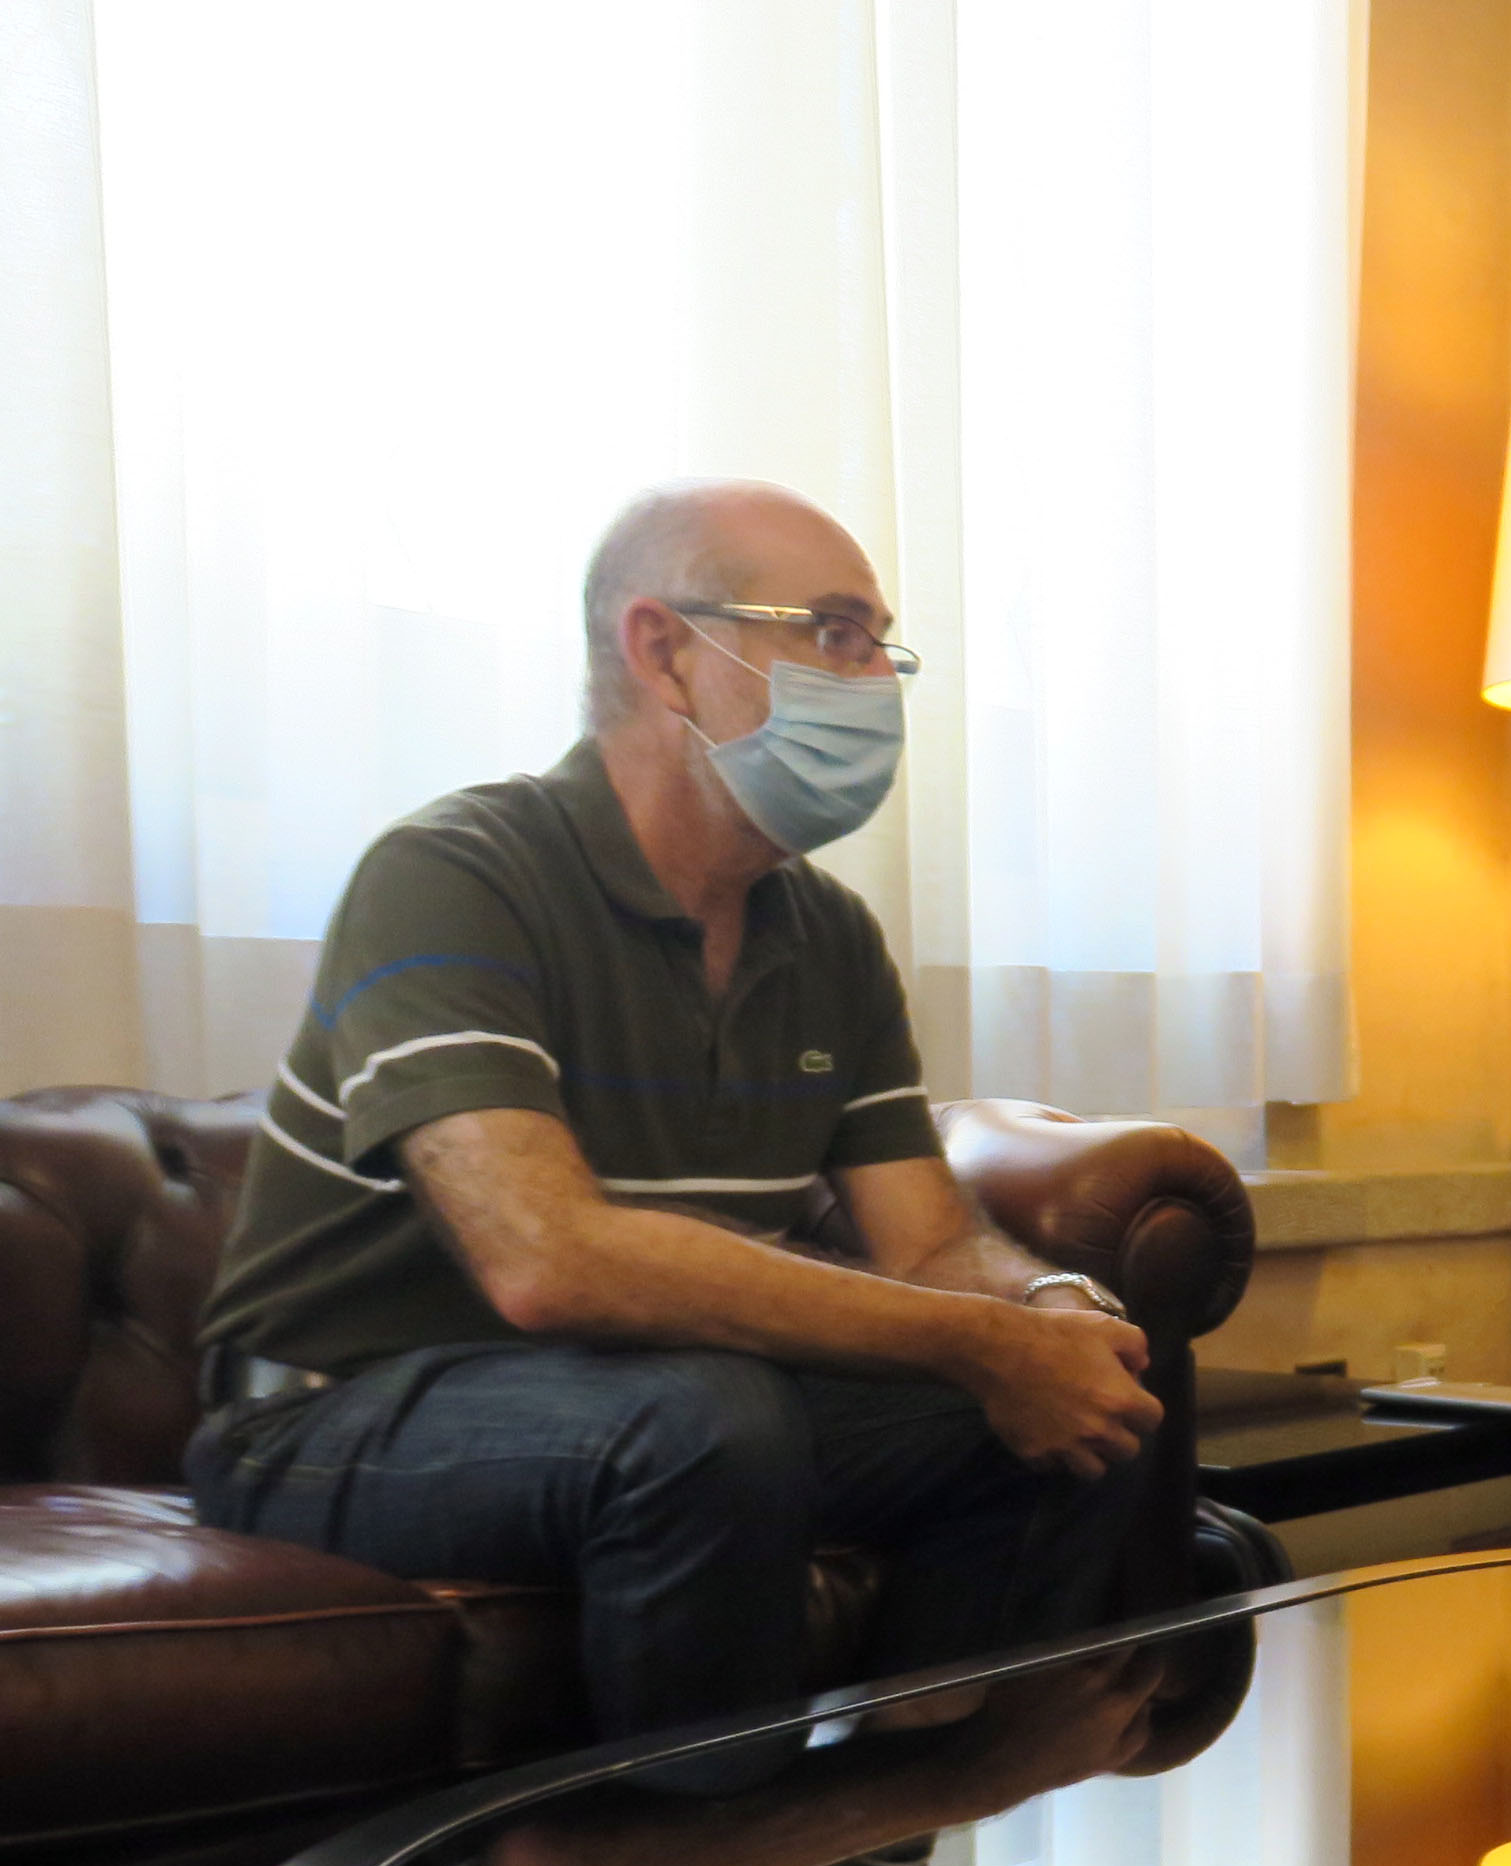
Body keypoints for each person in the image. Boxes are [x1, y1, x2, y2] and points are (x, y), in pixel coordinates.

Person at [189, 480, 1168, 1783]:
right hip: (335, 1422)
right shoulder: (455, 873)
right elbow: (548, 1262)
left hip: (651, 1405)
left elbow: (932, 1246)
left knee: (1082, 1409)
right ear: (662, 651)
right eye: (833, 632)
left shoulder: (827, 935)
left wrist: (1046, 1311)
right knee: (706, 1417)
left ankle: (902, 1812)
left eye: (882, 645)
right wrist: (980, 1339)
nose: (875, 682)